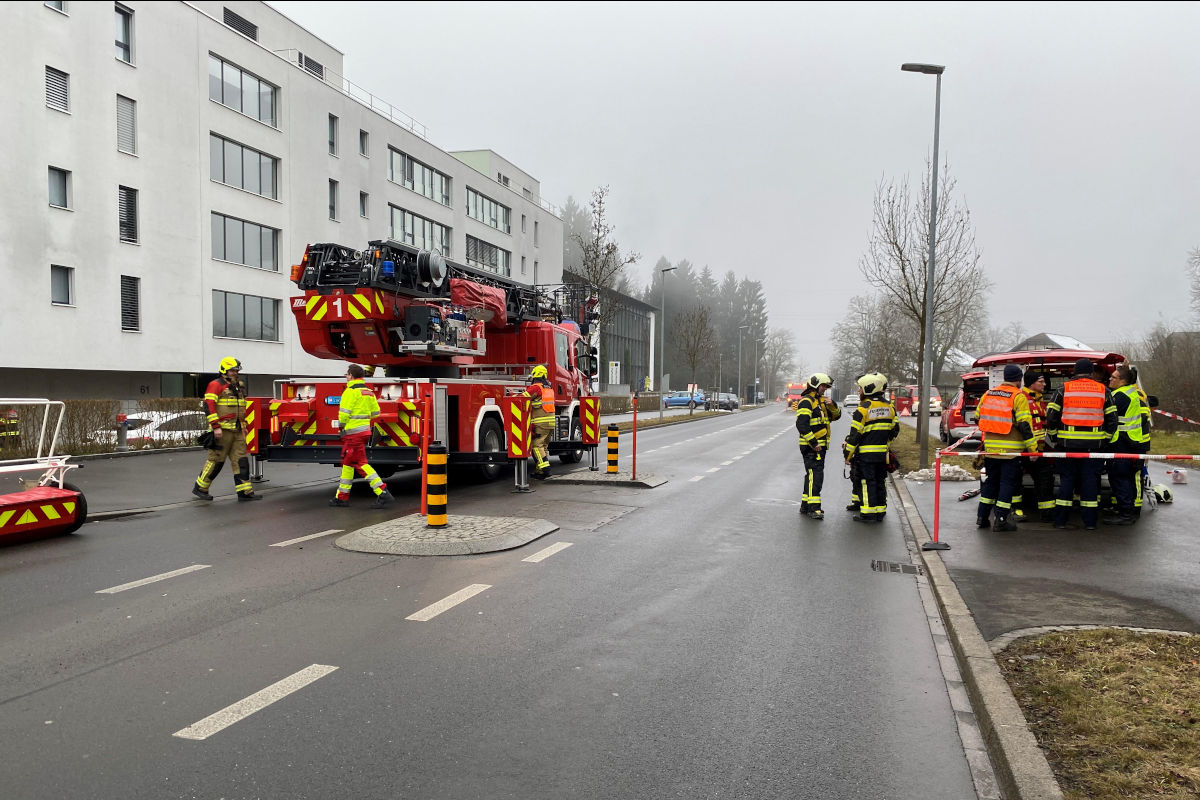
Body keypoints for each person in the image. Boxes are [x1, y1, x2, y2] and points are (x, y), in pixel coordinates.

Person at [1045, 358, 1118, 530]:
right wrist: (1105, 438)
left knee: (1067, 481)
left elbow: (1051, 416)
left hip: (1067, 445)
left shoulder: (1063, 389)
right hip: (1094, 447)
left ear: (1075, 372)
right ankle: (1090, 522)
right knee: (1090, 482)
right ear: (1092, 373)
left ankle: (1060, 521)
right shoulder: (1103, 390)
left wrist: (1055, 438)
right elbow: (1113, 419)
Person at [975, 365, 1038, 532]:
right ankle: (1001, 519)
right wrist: (1032, 449)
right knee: (1007, 485)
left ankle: (982, 517)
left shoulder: (988, 394)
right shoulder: (1018, 396)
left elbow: (977, 417)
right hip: (1011, 451)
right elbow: (1025, 425)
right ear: (1019, 379)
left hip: (991, 449)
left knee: (991, 483)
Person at [192, 357, 262, 501]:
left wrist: (245, 426)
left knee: (241, 461)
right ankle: (200, 487)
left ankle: (245, 492)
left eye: (236, 370)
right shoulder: (215, 384)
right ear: (224, 370)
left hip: (237, 430)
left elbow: (243, 408)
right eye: (232, 370)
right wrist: (215, 427)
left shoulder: (240, 386)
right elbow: (209, 406)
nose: (235, 373)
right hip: (222, 431)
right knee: (216, 460)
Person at [329, 364, 394, 508]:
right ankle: (341, 497)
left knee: (360, 464)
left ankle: (382, 492)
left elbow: (344, 415)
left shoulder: (349, 392)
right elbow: (376, 413)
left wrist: (340, 427)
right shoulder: (369, 392)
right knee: (347, 463)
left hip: (352, 435)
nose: (346, 377)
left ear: (351, 376)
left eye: (346, 374)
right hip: (364, 432)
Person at [843, 372, 898, 523]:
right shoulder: (890, 407)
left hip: (866, 454)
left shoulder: (863, 409)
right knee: (880, 481)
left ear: (868, 389)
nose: (859, 391)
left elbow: (854, 437)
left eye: (860, 388)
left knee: (867, 482)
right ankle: (880, 511)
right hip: (882, 453)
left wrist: (847, 456)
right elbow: (895, 430)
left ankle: (868, 514)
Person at [1104, 364, 1149, 525]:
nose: (1110, 379)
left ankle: (1125, 514)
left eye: (1113, 377)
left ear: (1122, 381)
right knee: (1125, 477)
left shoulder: (1120, 396)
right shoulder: (1129, 392)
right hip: (1130, 442)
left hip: (1122, 442)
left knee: (1120, 477)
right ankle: (1125, 510)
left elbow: (1106, 415)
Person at [795, 372, 841, 520]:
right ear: (815, 385)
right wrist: (814, 443)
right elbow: (801, 424)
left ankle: (805, 505)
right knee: (816, 476)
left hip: (820, 446)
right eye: (823, 386)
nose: (825, 389)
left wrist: (832, 405)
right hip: (811, 446)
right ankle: (814, 508)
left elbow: (836, 416)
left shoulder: (821, 402)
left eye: (826, 387)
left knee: (812, 475)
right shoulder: (807, 401)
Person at [1015, 371, 1056, 522]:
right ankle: (1016, 510)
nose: (1045, 384)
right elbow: (1024, 427)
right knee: (1015, 480)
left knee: (1045, 478)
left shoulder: (1039, 400)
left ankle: (1047, 513)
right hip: (1024, 449)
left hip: (1038, 450)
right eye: (1041, 382)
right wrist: (1032, 449)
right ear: (1031, 383)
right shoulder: (1022, 399)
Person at [523, 364, 556, 480]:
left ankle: (546, 469)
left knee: (536, 446)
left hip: (540, 422)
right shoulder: (549, 388)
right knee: (544, 446)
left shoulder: (536, 387)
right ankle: (540, 471)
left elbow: (523, 398)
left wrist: (512, 394)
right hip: (550, 422)